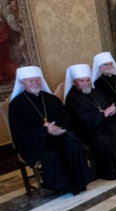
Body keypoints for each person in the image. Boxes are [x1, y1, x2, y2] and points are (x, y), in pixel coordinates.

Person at [8, 66, 93, 194]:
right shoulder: (16, 105)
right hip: (35, 143)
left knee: (73, 146)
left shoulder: (51, 99)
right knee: (52, 154)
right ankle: (61, 186)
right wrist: (45, 131)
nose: (35, 83)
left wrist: (59, 128)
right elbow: (20, 132)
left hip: (59, 137)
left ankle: (79, 181)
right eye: (31, 80)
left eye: (37, 80)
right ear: (22, 83)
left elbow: (66, 119)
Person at [64, 63, 116, 180]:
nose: (86, 83)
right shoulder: (72, 98)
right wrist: (103, 114)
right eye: (82, 81)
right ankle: (115, 170)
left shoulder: (96, 92)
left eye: (87, 80)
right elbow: (80, 119)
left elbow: (111, 103)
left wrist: (113, 111)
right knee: (105, 140)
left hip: (107, 124)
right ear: (75, 83)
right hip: (90, 130)